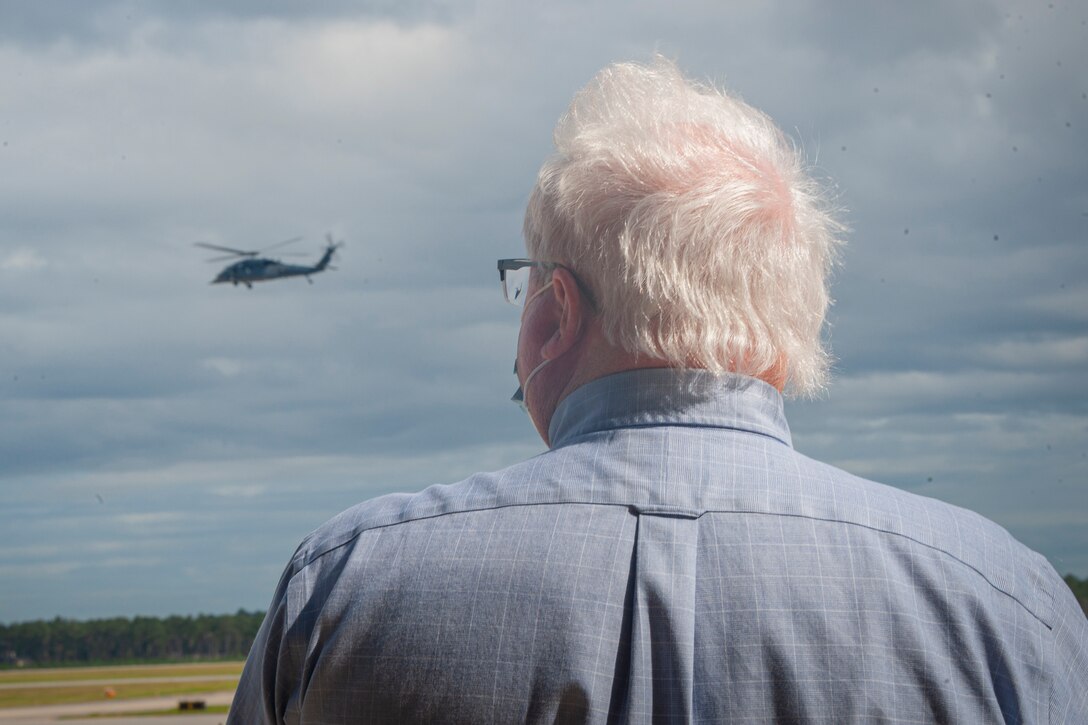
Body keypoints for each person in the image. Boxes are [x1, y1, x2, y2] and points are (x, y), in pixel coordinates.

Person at [228, 57, 1088, 724]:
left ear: (555, 313)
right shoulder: (1007, 606)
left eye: (524, 284)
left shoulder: (342, 587)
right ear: (789, 337)